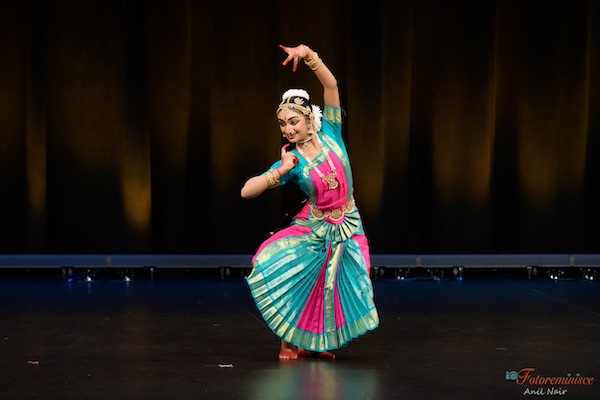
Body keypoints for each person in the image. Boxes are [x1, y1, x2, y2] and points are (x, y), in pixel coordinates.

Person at [241, 44, 379, 360]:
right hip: (316, 228)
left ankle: (314, 343)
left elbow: (331, 85)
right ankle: (288, 342)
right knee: (299, 279)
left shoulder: (331, 130)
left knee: (339, 285)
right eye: (282, 124)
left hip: (349, 223)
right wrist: (278, 173)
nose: (288, 129)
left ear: (308, 118)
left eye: (293, 122)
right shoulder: (292, 161)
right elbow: (247, 191)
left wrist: (309, 56)